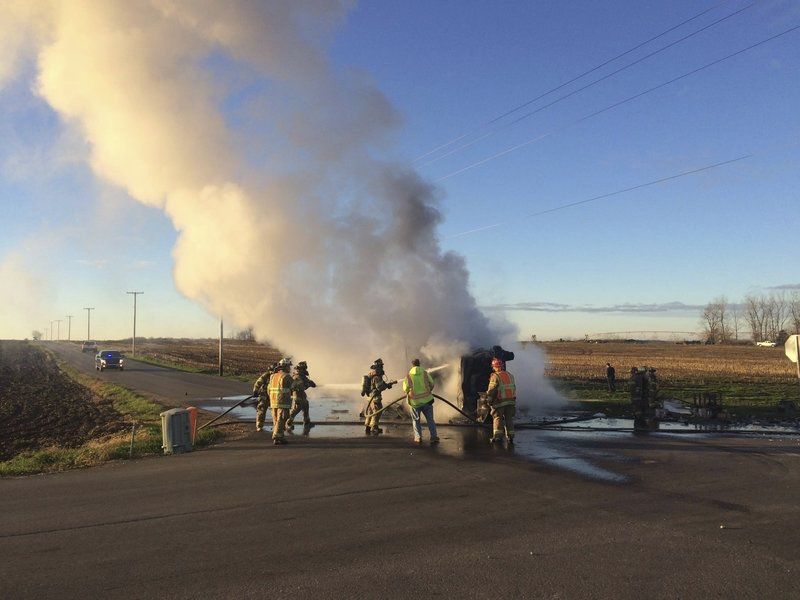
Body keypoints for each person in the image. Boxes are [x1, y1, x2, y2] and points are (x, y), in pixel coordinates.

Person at [402, 358, 438, 444]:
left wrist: (408, 393)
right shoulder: (425, 373)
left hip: (415, 403)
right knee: (430, 420)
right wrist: (429, 391)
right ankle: (434, 437)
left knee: (416, 420)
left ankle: (418, 437)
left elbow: (405, 388)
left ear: (413, 365)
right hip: (427, 401)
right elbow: (432, 384)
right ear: (419, 364)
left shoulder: (408, 376)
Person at [485, 357, 516, 444]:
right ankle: (511, 437)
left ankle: (497, 437)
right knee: (509, 419)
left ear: (494, 367)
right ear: (502, 366)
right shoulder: (510, 375)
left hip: (500, 402)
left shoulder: (495, 376)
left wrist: (489, 400)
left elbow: (491, 390)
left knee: (498, 418)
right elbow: (513, 388)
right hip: (511, 402)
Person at [362, 358, 395, 435]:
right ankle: (374, 427)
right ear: (378, 367)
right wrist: (387, 385)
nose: (382, 368)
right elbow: (380, 387)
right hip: (375, 398)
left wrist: (387, 385)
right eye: (381, 366)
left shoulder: (371, 375)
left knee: (370, 412)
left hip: (370, 398)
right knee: (377, 412)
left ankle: (368, 426)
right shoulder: (376, 377)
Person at [267, 357, 294, 445]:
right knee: (282, 418)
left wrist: (271, 397)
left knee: (276, 419)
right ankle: (277, 436)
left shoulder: (273, 376)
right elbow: (295, 386)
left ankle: (279, 436)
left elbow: (268, 389)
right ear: (285, 366)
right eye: (289, 366)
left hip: (273, 401)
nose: (290, 368)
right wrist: (305, 384)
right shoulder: (286, 376)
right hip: (282, 402)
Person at [287, 361, 316, 431]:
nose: (305, 370)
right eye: (304, 369)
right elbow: (301, 386)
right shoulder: (296, 376)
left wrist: (311, 383)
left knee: (306, 406)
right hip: (297, 395)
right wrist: (309, 384)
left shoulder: (302, 376)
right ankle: (288, 423)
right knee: (296, 409)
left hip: (302, 394)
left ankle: (307, 423)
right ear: (301, 369)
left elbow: (308, 384)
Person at [253, 362, 276, 433]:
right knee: (262, 410)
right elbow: (258, 382)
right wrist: (255, 391)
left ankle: (277, 426)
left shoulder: (277, 377)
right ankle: (259, 426)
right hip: (264, 396)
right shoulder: (266, 375)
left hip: (273, 396)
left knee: (275, 412)